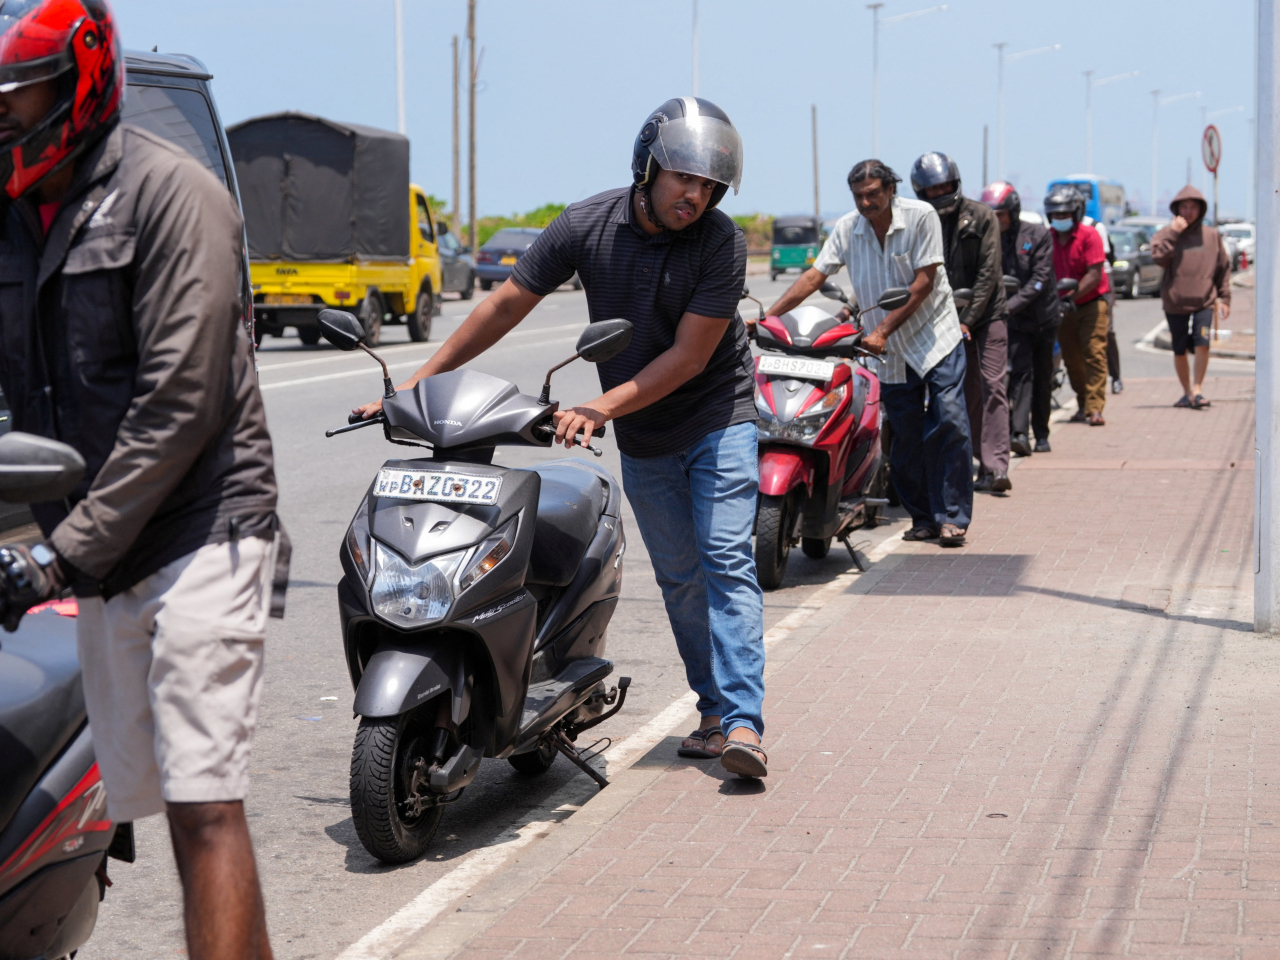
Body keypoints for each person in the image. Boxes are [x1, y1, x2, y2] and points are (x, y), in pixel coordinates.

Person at [353, 97, 768, 779]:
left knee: (724, 559)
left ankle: (745, 721)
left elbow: (692, 357)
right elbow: (505, 302)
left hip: (718, 416)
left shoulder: (719, 244)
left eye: (708, 186)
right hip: (645, 430)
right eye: (682, 179)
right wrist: (412, 388)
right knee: (681, 579)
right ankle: (716, 712)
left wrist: (599, 406)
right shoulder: (587, 224)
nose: (695, 195)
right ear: (648, 167)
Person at [0, 3, 287, 958]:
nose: (1, 118)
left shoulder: (176, 194)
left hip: (200, 528)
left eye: (16, 97)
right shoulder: (10, 220)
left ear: (79, 83)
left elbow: (182, 405)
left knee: (204, 804)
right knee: (138, 803)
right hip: (92, 548)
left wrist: (52, 557)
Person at [766, 160, 973, 547]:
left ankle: (953, 517)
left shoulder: (921, 216)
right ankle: (925, 519)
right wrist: (767, 318)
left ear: (891, 189)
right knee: (905, 435)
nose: (866, 202)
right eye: (859, 196)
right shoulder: (848, 228)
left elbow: (925, 281)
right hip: (887, 350)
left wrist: (880, 329)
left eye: (873, 194)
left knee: (950, 421)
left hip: (934, 335)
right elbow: (815, 276)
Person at [912, 153, 1010, 493]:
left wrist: (967, 320)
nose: (940, 193)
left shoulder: (982, 216)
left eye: (945, 186)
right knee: (961, 393)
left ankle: (996, 467)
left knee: (992, 385)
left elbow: (989, 275)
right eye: (932, 189)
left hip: (986, 315)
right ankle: (966, 463)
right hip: (942, 318)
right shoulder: (920, 221)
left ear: (956, 183)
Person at [982, 182, 1059, 455]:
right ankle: (1018, 434)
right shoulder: (989, 239)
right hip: (1014, 323)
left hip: (1043, 318)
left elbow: (1039, 280)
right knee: (1020, 376)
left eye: (1000, 214)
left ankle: (1041, 434)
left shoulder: (1038, 235)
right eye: (992, 215)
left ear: (1012, 211)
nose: (996, 220)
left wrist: (1009, 305)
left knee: (1042, 377)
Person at [1150, 185, 1231, 409]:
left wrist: (1224, 298)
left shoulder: (1212, 236)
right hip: (1175, 302)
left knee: (1202, 343)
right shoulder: (1165, 233)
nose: (1188, 211)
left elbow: (1223, 267)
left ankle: (1198, 389)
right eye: (1184, 207)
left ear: (1200, 210)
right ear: (1177, 209)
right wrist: (1174, 233)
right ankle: (1186, 392)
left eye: (1193, 207)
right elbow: (1158, 257)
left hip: (1204, 301)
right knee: (1180, 348)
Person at [1045, 184, 1111, 426]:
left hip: (1091, 302)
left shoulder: (1089, 235)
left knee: (1093, 353)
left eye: (1065, 214)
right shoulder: (1046, 238)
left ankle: (1095, 408)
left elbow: (1094, 274)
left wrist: (1070, 298)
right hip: (1062, 307)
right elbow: (1031, 257)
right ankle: (1082, 402)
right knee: (1071, 358)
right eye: (1056, 214)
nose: (1060, 218)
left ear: (1076, 212)